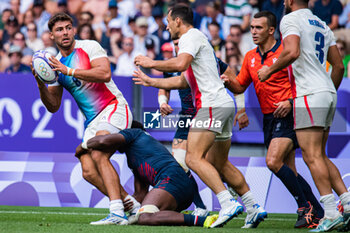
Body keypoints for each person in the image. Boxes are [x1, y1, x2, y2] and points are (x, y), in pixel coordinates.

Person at [134, 5, 267, 228]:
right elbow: (181, 81)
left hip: (211, 105)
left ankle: (227, 203)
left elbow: (179, 64)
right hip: (224, 104)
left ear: (178, 21)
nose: (166, 26)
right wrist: (150, 81)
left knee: (192, 158)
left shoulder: (189, 37)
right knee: (219, 163)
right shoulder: (197, 40)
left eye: (168, 21)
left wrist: (150, 63)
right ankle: (253, 207)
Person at [31, 12, 138, 225]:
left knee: (98, 153)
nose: (65, 32)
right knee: (88, 170)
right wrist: (41, 84)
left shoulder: (89, 47)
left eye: (68, 27)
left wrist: (69, 70)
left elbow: (105, 74)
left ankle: (116, 212)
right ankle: (130, 204)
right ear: (52, 35)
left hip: (114, 107)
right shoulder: (56, 65)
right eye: (59, 30)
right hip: (93, 121)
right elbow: (53, 106)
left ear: (74, 29)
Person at [222, 11, 324, 229]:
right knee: (289, 168)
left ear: (271, 30)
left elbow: (305, 80)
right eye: (251, 27)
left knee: (272, 161)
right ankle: (317, 209)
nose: (253, 32)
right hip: (269, 118)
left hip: (288, 113)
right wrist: (227, 82)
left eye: (258, 28)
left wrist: (290, 101)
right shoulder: (250, 56)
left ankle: (304, 206)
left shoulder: (287, 53)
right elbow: (240, 85)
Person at [257, 0, 350, 231]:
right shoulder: (322, 23)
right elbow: (339, 67)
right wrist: (327, 91)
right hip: (327, 92)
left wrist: (269, 69)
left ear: (288, 1)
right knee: (321, 155)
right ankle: (347, 205)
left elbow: (292, 51)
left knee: (312, 156)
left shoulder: (290, 19)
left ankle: (330, 213)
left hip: (308, 93)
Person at [76, 122, 218, 227]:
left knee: (145, 217)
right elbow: (141, 193)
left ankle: (203, 221)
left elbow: (102, 141)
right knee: (142, 215)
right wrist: (129, 204)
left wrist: (83, 145)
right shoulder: (134, 157)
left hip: (172, 181)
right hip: (177, 189)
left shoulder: (134, 133)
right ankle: (182, 217)